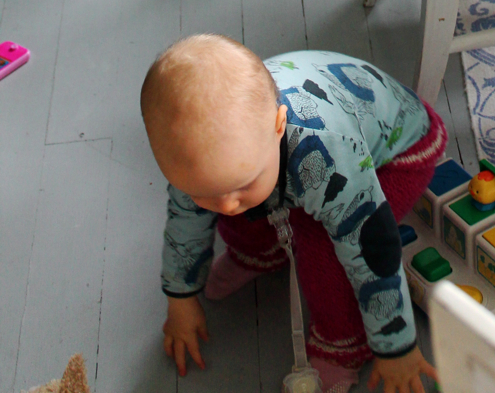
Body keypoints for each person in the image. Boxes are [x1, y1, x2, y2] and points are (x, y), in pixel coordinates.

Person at [141, 34, 448, 393]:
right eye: (203, 191)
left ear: (278, 126)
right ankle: (259, 254)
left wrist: (396, 347)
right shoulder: (201, 158)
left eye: (242, 184)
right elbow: (185, 221)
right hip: (304, 157)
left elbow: (372, 249)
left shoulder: (325, 150)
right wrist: (180, 297)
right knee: (236, 206)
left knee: (322, 248)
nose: (225, 204)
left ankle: (343, 343)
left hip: (397, 155)